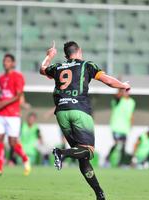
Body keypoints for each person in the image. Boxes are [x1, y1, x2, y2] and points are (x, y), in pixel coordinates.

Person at [40, 41, 130, 200]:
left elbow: (42, 70)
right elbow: (108, 81)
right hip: (79, 110)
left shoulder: (58, 66)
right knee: (88, 151)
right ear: (79, 51)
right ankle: (61, 153)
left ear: (66, 55)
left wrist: (49, 56)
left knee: (81, 154)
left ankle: (99, 194)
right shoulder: (87, 65)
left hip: (61, 112)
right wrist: (122, 85)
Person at [0, 54, 31, 177]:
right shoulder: (1, 78)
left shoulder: (18, 76)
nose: (5, 63)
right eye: (4, 61)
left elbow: (18, 95)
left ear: (13, 63)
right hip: (0, 114)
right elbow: (3, 94)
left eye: (8, 61)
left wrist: (2, 103)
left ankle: (25, 159)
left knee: (12, 142)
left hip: (13, 114)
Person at [105, 89, 136, 167]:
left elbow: (131, 114)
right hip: (116, 126)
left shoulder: (132, 102)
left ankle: (121, 163)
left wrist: (131, 124)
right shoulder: (118, 100)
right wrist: (120, 87)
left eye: (127, 90)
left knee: (123, 146)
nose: (125, 92)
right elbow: (117, 96)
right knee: (117, 144)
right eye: (124, 91)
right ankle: (107, 160)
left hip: (125, 128)